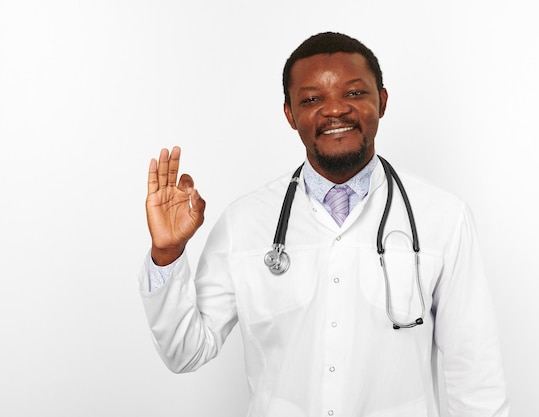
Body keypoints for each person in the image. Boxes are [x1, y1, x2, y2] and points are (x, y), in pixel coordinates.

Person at [140, 32, 509, 417]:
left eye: (354, 93)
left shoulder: (444, 218)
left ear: (382, 101)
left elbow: (476, 378)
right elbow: (185, 352)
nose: (335, 110)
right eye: (312, 99)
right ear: (290, 114)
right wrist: (166, 254)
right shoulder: (245, 222)